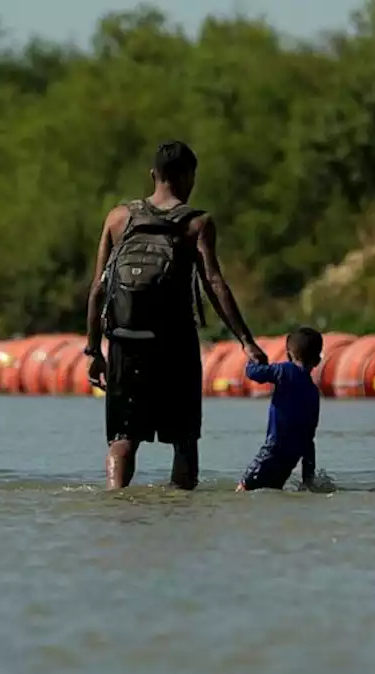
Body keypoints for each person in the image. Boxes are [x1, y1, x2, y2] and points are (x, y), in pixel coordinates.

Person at [86, 140, 267, 490]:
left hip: (124, 342)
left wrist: (94, 351)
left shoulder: (119, 218)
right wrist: (245, 340)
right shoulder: (196, 223)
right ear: (189, 177)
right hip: (175, 345)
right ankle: (181, 514)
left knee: (123, 437)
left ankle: (115, 500)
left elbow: (97, 288)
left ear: (153, 174)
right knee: (183, 441)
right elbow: (214, 283)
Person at [238, 327, 323, 492]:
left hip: (273, 449)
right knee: (274, 490)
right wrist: (308, 475)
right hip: (294, 455)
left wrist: (254, 358)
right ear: (318, 361)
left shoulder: (284, 370)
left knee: (243, 490)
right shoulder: (313, 391)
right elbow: (310, 433)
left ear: (288, 354)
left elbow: (254, 373)